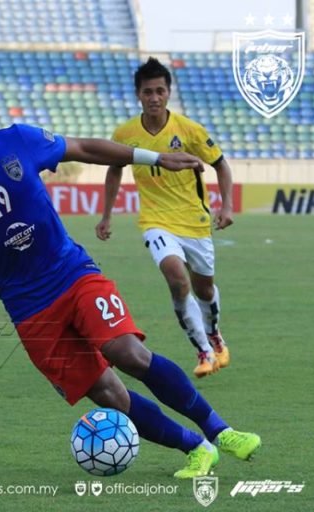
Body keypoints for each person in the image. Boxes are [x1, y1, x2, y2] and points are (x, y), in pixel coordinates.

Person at [0, 74, 260, 479]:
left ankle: (220, 431)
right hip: (27, 308)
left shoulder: (17, 141)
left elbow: (83, 148)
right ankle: (195, 448)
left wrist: (156, 157)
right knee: (107, 394)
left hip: (72, 274)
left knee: (127, 352)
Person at [95, 58, 233, 378]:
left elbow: (221, 165)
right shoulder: (125, 133)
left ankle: (213, 333)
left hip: (194, 221)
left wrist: (226, 207)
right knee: (175, 277)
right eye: (148, 92)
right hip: (155, 220)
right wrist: (106, 216)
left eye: (160, 90)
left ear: (168, 92)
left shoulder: (189, 130)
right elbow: (114, 170)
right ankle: (202, 350)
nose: (154, 97)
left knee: (205, 290)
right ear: (138, 95)